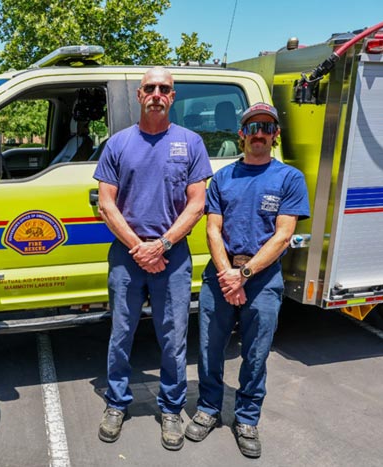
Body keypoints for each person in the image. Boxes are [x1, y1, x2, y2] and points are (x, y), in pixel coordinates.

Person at [93, 67, 213, 450]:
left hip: (173, 257)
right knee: (121, 334)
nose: (157, 94)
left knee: (173, 338)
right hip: (128, 256)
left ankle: (172, 409)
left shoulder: (191, 143)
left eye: (165, 88)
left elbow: (197, 204)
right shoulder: (117, 144)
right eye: (150, 88)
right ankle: (116, 403)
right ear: (139, 95)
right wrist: (138, 248)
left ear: (173, 97)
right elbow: (107, 205)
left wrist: (160, 246)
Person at [184, 103, 310, 458]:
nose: (259, 133)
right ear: (241, 134)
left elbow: (283, 236)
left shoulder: (289, 178)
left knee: (256, 355)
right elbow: (212, 228)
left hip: (262, 279)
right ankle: (208, 408)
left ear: (275, 135)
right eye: (252, 126)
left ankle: (247, 418)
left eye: (267, 127)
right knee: (210, 348)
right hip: (220, 275)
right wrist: (227, 275)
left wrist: (244, 275)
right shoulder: (222, 178)